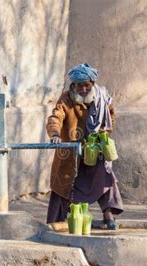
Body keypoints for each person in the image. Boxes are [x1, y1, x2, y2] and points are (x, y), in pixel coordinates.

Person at [46, 63, 123, 229]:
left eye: (86, 85)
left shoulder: (102, 99)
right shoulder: (66, 99)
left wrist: (102, 135)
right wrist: (55, 135)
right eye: (79, 86)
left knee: (104, 176)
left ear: (92, 84)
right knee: (63, 187)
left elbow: (110, 118)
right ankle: (56, 223)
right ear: (73, 86)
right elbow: (55, 117)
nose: (83, 89)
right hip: (71, 154)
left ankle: (108, 216)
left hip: (94, 152)